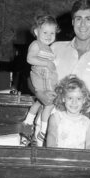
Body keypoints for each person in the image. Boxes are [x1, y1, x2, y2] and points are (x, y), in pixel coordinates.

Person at [33, 0, 90, 146]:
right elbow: (32, 76)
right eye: (78, 19)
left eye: (88, 19)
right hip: (46, 123)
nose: (83, 24)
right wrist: (39, 93)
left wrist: (74, 97)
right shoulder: (54, 48)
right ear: (72, 22)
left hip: (77, 129)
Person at [23, 14, 59, 146]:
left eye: (52, 33)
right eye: (45, 32)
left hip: (47, 79)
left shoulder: (48, 47)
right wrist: (47, 64)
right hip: (40, 77)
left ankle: (28, 121)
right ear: (36, 32)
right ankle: (43, 131)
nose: (49, 36)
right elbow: (29, 59)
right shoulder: (36, 44)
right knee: (49, 104)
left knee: (39, 102)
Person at [46, 75, 90, 149]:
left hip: (78, 158)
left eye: (78, 98)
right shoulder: (55, 118)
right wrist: (52, 148)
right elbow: (51, 134)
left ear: (84, 100)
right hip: (59, 157)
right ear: (63, 98)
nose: (74, 102)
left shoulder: (88, 124)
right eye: (70, 98)